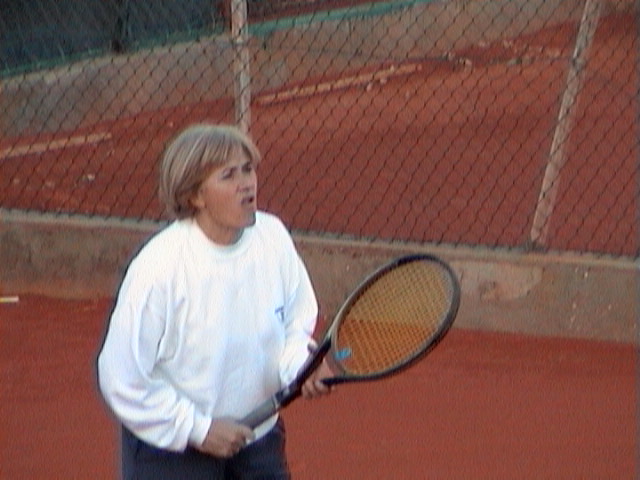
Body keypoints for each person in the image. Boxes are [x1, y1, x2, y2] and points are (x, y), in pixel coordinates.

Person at [97, 123, 332, 479]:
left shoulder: (272, 237)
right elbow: (122, 377)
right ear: (196, 196)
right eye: (228, 175)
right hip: (174, 452)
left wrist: (301, 366)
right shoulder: (160, 268)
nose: (246, 184)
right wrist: (198, 429)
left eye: (248, 169)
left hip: (256, 441)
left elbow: (293, 327)